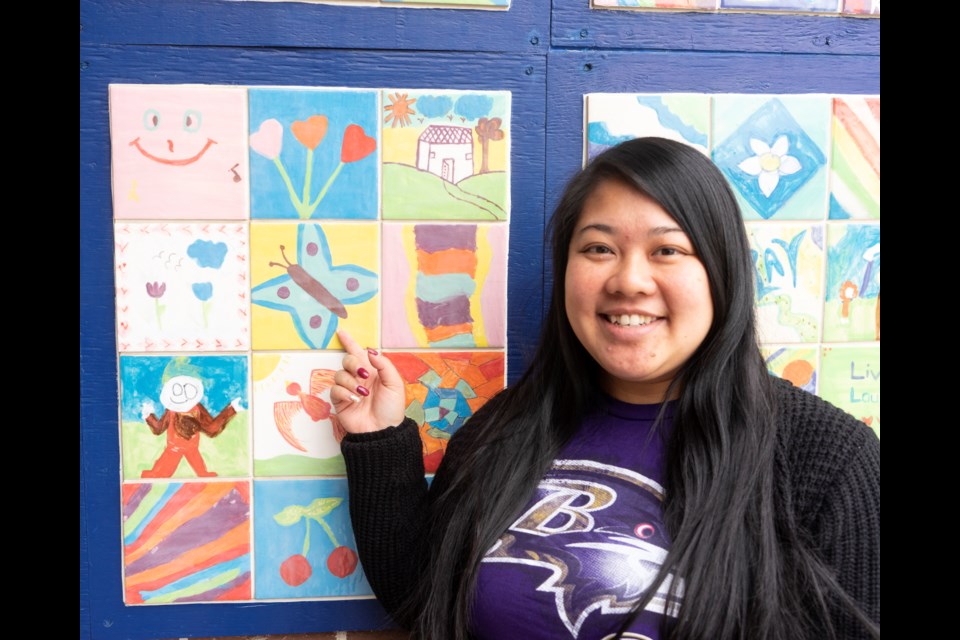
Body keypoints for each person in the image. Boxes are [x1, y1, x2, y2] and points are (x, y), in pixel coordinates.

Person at [330, 138, 880, 640]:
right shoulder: (507, 427)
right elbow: (423, 598)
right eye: (598, 249)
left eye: (667, 250)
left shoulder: (828, 460)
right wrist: (378, 443)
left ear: (721, 271)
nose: (629, 281)